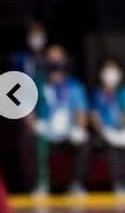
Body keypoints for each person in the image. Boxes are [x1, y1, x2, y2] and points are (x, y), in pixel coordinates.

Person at [25, 45, 92, 197]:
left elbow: (81, 113)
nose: (55, 64)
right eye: (51, 59)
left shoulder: (75, 86)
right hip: (45, 133)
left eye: (58, 59)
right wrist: (36, 125)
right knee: (28, 139)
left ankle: (77, 184)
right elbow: (27, 111)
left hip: (67, 133)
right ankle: (39, 184)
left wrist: (78, 128)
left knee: (85, 140)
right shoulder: (37, 85)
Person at [90, 59, 125, 196]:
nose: (110, 74)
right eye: (108, 70)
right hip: (104, 131)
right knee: (112, 147)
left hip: (121, 130)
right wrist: (104, 131)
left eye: (114, 70)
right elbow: (94, 116)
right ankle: (118, 183)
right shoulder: (96, 93)